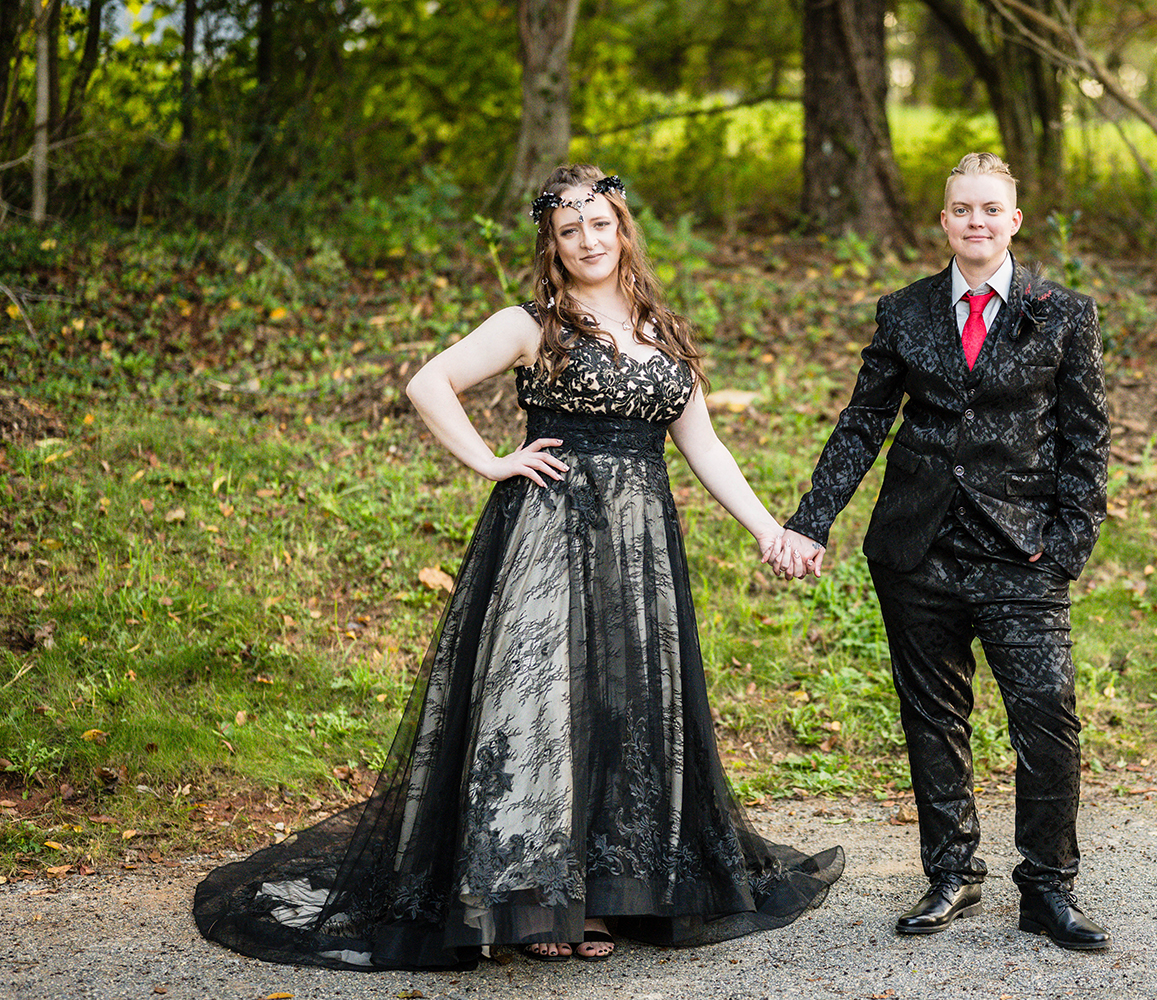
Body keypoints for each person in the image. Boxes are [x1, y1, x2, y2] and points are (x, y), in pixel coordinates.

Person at [193, 164, 843, 970]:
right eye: (571, 231)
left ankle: (602, 896)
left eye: (600, 225)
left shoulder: (662, 331)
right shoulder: (531, 324)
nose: (588, 241)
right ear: (553, 243)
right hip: (547, 535)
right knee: (538, 712)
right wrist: (493, 462)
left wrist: (767, 529)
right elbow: (428, 383)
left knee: (621, 710)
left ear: (622, 229)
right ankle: (533, 901)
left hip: (638, 550)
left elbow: (702, 443)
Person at [773, 152, 1111, 950]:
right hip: (916, 550)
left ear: (1014, 221)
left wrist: (1064, 549)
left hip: (1020, 553)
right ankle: (951, 873)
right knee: (932, 717)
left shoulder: (1063, 313)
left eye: (991, 210)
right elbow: (863, 422)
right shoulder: (906, 312)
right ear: (944, 221)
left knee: (1047, 716)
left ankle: (1048, 886)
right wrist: (811, 521)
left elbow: (1087, 442)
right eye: (962, 209)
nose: (977, 222)